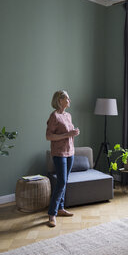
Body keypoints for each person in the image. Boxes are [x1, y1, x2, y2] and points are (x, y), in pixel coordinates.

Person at [46, 90, 80, 227]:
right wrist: (67, 134)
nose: (69, 101)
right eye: (67, 98)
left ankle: (60, 209)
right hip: (59, 153)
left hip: (70, 152)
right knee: (61, 182)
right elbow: (49, 136)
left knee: (65, 181)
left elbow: (68, 133)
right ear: (60, 100)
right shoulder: (54, 116)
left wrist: (73, 133)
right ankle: (51, 213)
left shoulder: (68, 115)